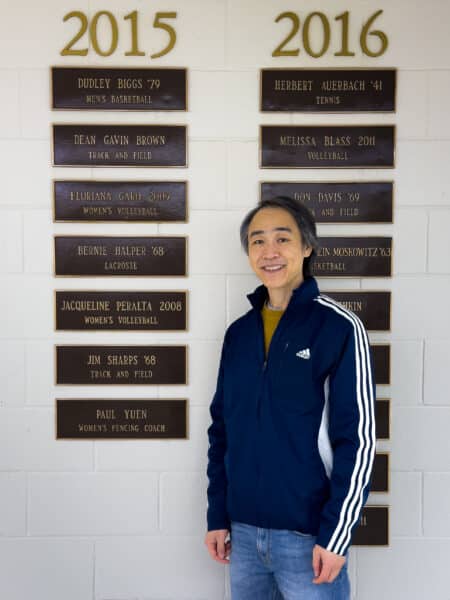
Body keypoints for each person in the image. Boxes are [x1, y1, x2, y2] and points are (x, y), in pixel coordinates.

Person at [204, 196, 376, 599]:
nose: (270, 252)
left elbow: (360, 440)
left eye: (282, 238)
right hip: (243, 536)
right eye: (257, 241)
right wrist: (217, 515)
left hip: (308, 537)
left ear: (307, 247)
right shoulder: (239, 334)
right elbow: (221, 432)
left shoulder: (339, 328)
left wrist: (336, 534)